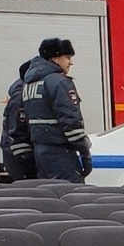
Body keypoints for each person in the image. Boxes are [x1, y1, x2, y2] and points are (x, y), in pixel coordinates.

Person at [20, 38, 92, 182]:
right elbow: (70, 120)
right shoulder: (59, 82)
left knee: (49, 191)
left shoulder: (29, 83)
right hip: (61, 154)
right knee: (72, 192)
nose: (70, 63)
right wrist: (84, 151)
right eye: (67, 57)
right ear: (55, 58)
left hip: (40, 153)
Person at [0, 60, 34, 180]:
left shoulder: (20, 94)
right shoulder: (20, 98)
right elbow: (15, 129)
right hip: (17, 154)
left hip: (16, 151)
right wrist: (25, 156)